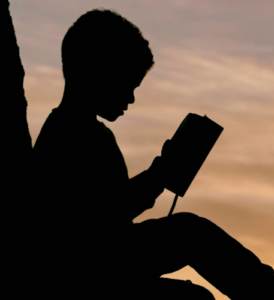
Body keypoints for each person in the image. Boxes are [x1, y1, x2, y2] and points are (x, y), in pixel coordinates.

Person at [32, 9, 273, 299]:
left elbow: (110, 208)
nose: (131, 98)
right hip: (90, 269)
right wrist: (159, 175)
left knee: (190, 231)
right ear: (98, 71)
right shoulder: (65, 135)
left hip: (111, 252)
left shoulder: (90, 131)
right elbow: (96, 220)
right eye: (128, 85)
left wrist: (159, 174)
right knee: (193, 279)